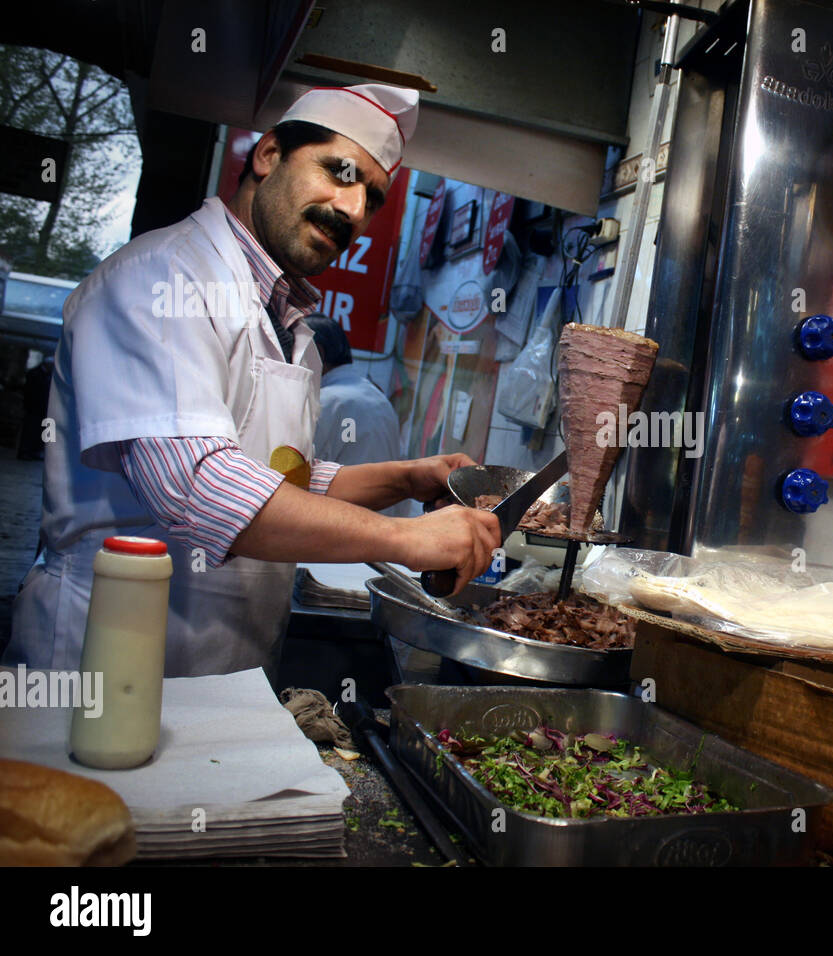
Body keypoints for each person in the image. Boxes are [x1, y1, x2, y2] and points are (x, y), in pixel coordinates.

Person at [3, 83, 500, 678]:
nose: (352, 209)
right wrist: (408, 540)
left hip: (227, 675)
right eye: (339, 172)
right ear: (267, 155)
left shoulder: (287, 320)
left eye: (372, 197)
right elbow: (198, 485)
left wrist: (402, 478)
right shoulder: (164, 278)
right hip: (101, 663)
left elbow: (278, 481)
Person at [303, 311, 410, 517]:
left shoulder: (326, 401)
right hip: (383, 526)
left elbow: (299, 479)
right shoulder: (376, 396)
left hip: (344, 526)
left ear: (318, 353)